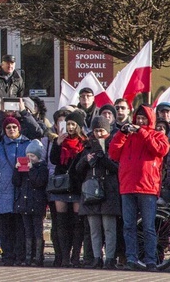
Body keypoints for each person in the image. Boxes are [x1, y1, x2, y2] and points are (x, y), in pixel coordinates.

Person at [109, 104, 170, 271]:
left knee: (149, 226)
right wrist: (121, 134)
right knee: (129, 225)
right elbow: (113, 153)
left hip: (148, 188)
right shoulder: (127, 137)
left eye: (144, 119)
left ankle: (151, 261)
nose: (140, 122)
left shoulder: (157, 135)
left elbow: (161, 150)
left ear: (150, 120)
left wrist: (142, 132)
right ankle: (131, 259)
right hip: (128, 186)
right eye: (138, 119)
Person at [76, 115, 120, 270]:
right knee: (94, 228)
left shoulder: (114, 144)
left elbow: (117, 168)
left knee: (109, 227)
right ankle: (96, 257)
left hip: (109, 191)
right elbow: (77, 170)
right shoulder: (88, 146)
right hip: (90, 191)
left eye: (101, 130)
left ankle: (110, 258)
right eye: (96, 130)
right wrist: (85, 160)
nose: (99, 134)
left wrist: (103, 157)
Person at [0, 116, 30, 266]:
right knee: (5, 228)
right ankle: (7, 256)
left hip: (20, 191)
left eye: (14, 127)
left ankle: (20, 256)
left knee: (20, 227)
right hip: (1, 192)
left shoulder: (27, 144)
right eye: (8, 127)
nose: (11, 130)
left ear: (19, 129)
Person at [50, 109, 87, 268]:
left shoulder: (84, 142)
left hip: (77, 186)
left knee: (77, 222)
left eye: (73, 124)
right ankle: (64, 256)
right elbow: (54, 160)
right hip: (61, 186)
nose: (70, 127)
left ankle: (75, 256)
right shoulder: (59, 141)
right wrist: (58, 144)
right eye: (68, 124)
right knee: (61, 221)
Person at [12, 139, 48, 267]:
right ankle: (28, 256)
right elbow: (16, 182)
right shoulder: (23, 169)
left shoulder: (42, 168)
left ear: (38, 156)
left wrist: (31, 170)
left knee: (37, 230)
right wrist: (16, 169)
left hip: (37, 204)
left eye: (32, 156)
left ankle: (38, 257)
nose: (29, 159)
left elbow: (39, 182)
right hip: (24, 203)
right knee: (27, 231)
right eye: (27, 156)